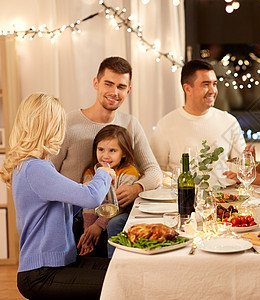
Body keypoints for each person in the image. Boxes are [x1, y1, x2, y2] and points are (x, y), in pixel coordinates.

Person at [0, 93, 116, 300]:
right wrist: (103, 173)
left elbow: (68, 205)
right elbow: (91, 198)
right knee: (119, 282)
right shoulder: (35, 168)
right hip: (42, 273)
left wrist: (85, 189)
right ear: (51, 127)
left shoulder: (36, 166)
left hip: (60, 263)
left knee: (122, 270)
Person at [51, 56, 162, 208]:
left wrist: (137, 188)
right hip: (71, 216)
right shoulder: (66, 123)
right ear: (96, 83)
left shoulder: (131, 124)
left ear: (128, 91)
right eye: (108, 84)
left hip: (113, 214)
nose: (114, 92)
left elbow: (154, 172)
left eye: (121, 87)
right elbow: (48, 175)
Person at [150, 59, 246, 185]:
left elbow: (241, 167)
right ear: (187, 89)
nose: (213, 91)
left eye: (214, 84)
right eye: (206, 84)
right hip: (184, 198)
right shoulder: (166, 125)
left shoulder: (229, 121)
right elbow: (156, 172)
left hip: (224, 198)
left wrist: (240, 172)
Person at [78, 125, 139, 258]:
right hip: (97, 213)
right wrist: (88, 230)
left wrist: (98, 226)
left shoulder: (129, 172)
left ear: (123, 153)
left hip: (121, 212)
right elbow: (87, 202)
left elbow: (119, 205)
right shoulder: (90, 172)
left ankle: (113, 262)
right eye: (101, 149)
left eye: (112, 150)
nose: (105, 156)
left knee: (115, 223)